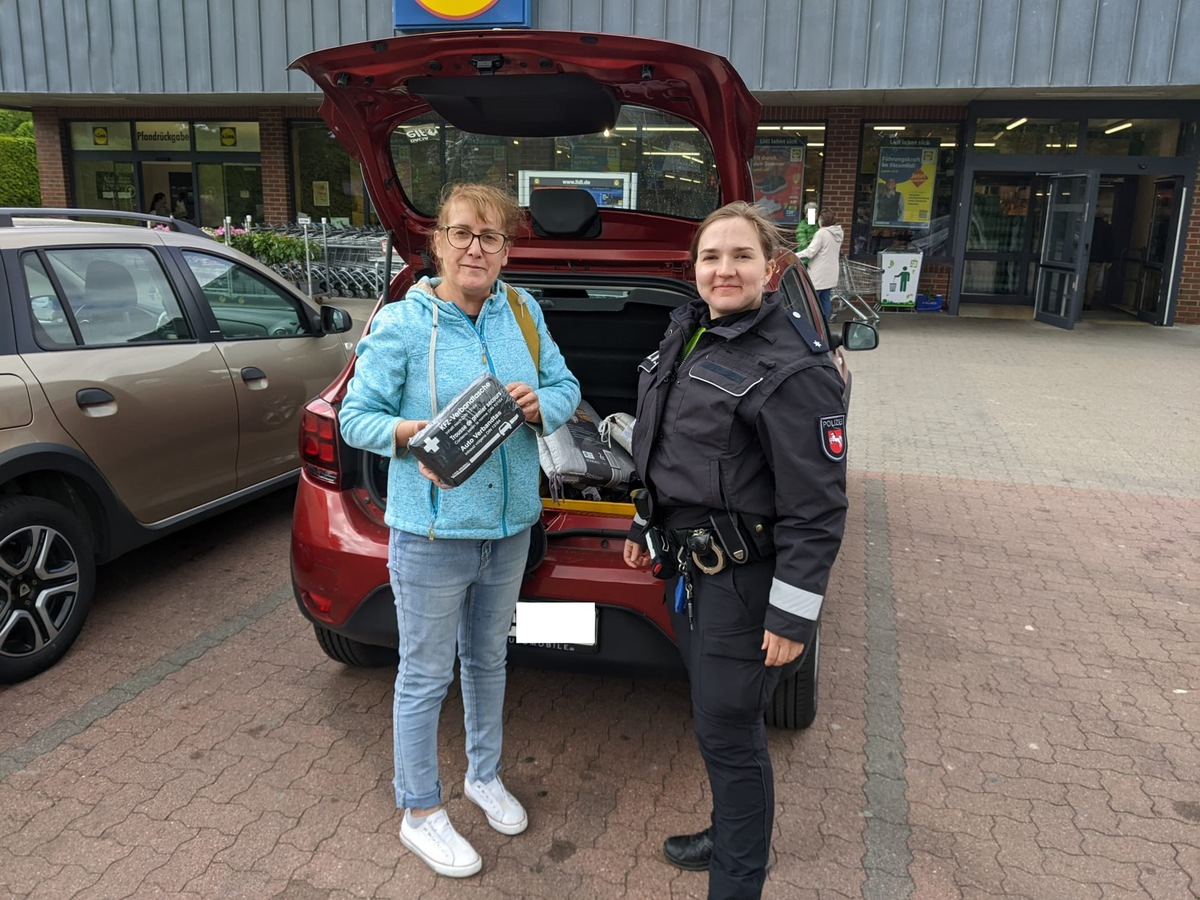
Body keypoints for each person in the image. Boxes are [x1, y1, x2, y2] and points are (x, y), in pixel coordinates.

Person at [339, 182, 581, 878]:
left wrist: (542, 403)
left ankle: (483, 775)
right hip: (430, 537)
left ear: (506, 250)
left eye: (491, 236)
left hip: (508, 531)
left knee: (488, 660)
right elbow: (355, 417)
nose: (476, 248)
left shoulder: (523, 312)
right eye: (462, 233)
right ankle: (419, 810)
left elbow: (567, 386)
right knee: (424, 675)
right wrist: (409, 434)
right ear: (437, 243)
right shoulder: (402, 324)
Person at [623, 201, 849, 899]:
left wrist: (792, 617)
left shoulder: (794, 367)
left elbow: (817, 508)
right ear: (693, 269)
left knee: (730, 733)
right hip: (691, 570)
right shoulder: (688, 332)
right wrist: (642, 524)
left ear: (772, 269)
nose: (724, 269)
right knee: (715, 718)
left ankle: (737, 879)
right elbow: (665, 445)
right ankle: (730, 836)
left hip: (746, 588)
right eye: (711, 256)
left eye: (741, 256)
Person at [797, 209, 844, 320]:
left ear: (821, 220)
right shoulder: (838, 233)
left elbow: (810, 252)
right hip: (831, 273)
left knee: (811, 301)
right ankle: (825, 323)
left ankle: (812, 323)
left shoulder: (822, 233)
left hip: (819, 273)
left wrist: (794, 255)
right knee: (825, 299)